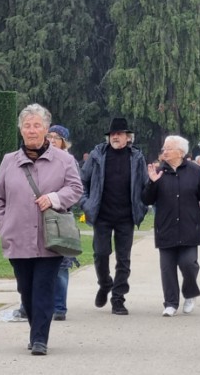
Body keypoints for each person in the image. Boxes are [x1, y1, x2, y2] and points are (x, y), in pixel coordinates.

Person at [0, 104, 82, 356]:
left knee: (44, 287)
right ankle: (36, 330)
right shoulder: (9, 161)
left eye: (37, 125)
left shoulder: (64, 160)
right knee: (26, 289)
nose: (32, 130)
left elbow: (75, 189)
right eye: (27, 125)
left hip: (50, 238)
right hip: (17, 236)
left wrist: (54, 198)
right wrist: (0, 222)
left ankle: (40, 339)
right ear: (21, 130)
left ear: (46, 129)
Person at [142, 135, 200, 317]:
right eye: (163, 148)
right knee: (167, 268)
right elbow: (146, 199)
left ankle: (190, 293)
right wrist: (151, 183)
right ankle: (170, 303)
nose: (164, 151)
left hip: (189, 227)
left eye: (168, 148)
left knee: (189, 264)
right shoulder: (158, 171)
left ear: (180, 152)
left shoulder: (195, 171)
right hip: (166, 227)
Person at [79, 117, 149, 316]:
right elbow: (81, 182)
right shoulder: (97, 155)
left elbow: (145, 185)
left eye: (119, 134)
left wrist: (142, 206)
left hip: (126, 216)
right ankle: (105, 283)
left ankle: (118, 298)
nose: (115, 137)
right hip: (102, 214)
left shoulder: (136, 157)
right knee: (101, 254)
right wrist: (85, 203)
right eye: (112, 134)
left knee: (123, 259)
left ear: (128, 137)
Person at [45, 124, 80, 321]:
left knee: (61, 265)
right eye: (48, 136)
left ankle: (59, 307)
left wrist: (55, 198)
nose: (51, 140)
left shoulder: (69, 161)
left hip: (60, 215)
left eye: (56, 137)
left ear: (63, 142)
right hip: (38, 215)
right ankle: (30, 304)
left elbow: (75, 189)